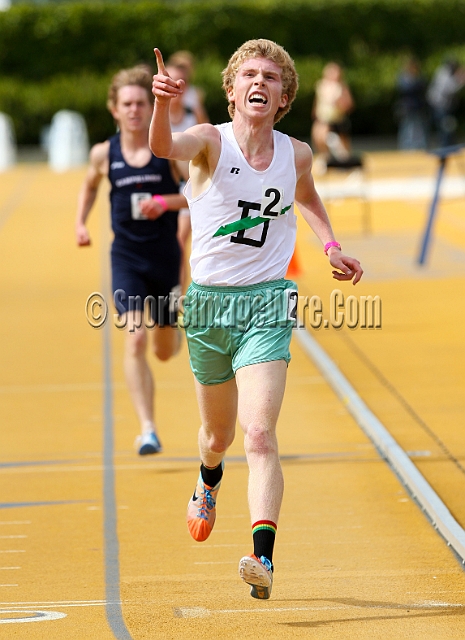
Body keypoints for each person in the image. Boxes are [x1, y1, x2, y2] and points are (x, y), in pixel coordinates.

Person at [149, 39, 363, 600]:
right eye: (250, 74)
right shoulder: (209, 143)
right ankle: (208, 477)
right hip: (210, 307)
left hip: (267, 302)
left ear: (284, 95)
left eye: (271, 76)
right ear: (232, 89)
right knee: (217, 435)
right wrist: (162, 104)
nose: (260, 82)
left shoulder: (295, 154)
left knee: (260, 432)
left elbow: (309, 197)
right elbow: (164, 144)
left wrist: (330, 245)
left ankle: (262, 558)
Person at [75, 65, 188, 456]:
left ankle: (175, 332)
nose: (135, 110)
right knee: (135, 338)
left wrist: (165, 202)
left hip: (166, 259)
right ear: (114, 109)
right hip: (126, 257)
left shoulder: (170, 151)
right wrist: (80, 223)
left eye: (141, 102)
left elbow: (201, 195)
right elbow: (89, 188)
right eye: (127, 103)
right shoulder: (103, 153)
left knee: (162, 349)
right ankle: (148, 429)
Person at [165, 61, 199, 293]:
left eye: (180, 84)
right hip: (160, 187)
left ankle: (177, 295)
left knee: (179, 241)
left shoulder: (192, 115)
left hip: (185, 188)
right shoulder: (155, 116)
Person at [311, 62, 354, 168]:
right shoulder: (321, 85)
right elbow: (318, 101)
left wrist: (339, 103)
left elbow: (348, 104)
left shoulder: (341, 87)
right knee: (319, 137)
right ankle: (326, 158)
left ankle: (344, 161)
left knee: (340, 143)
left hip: (336, 119)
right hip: (323, 118)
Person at [427, 58, 465, 148]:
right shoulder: (443, 74)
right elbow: (448, 90)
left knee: (448, 128)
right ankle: (445, 149)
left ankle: (448, 147)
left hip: (444, 107)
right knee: (445, 129)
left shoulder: (446, 73)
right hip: (440, 107)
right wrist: (460, 81)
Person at [395, 56, 428, 150]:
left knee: (419, 127)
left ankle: (419, 146)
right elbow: (405, 89)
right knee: (406, 127)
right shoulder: (403, 77)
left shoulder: (419, 77)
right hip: (407, 107)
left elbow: (422, 87)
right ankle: (406, 147)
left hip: (418, 107)